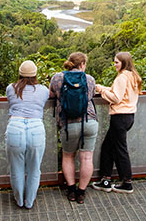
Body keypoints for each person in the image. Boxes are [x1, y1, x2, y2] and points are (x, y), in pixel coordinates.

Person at [49, 51, 98, 204]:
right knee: (87, 157)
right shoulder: (89, 79)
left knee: (68, 156)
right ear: (82, 64)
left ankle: (71, 190)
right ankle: (81, 192)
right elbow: (92, 95)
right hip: (89, 121)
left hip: (68, 124)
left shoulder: (57, 78)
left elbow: (51, 95)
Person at [91, 51, 142, 194]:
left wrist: (101, 90)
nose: (114, 65)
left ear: (123, 63)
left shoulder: (122, 77)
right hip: (129, 116)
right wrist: (105, 89)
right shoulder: (133, 77)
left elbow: (116, 98)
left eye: (116, 62)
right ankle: (105, 180)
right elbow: (119, 93)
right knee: (108, 147)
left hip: (119, 116)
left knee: (120, 149)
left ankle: (127, 182)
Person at [5, 60, 50, 210]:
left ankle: (19, 200)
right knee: (34, 168)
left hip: (15, 126)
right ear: (35, 74)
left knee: (16, 168)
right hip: (36, 127)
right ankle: (29, 202)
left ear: (19, 74)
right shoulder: (43, 90)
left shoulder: (11, 88)